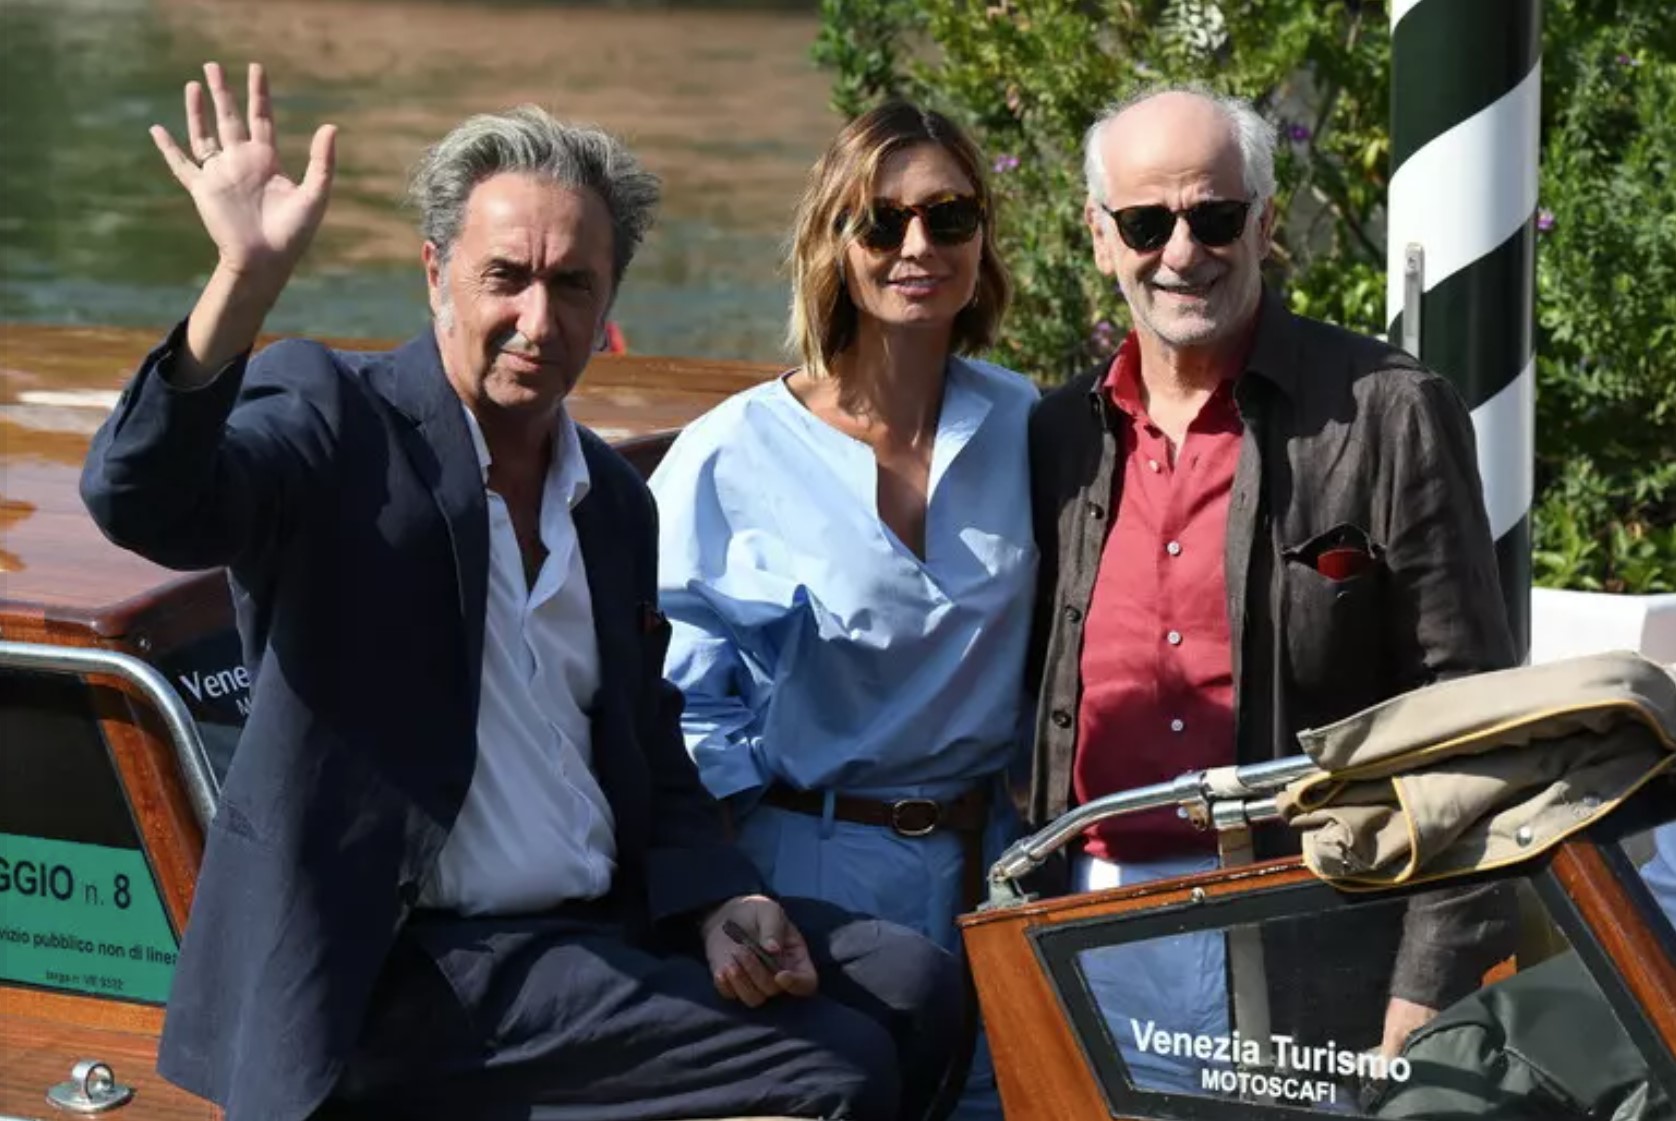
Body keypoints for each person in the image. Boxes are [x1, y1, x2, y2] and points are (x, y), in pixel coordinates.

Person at [80, 61, 962, 1121]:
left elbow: (645, 736)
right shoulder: (336, 416)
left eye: (573, 285)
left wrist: (719, 893)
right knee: (836, 1070)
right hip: (405, 966)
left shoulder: (611, 503)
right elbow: (142, 499)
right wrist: (242, 285)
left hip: (592, 922)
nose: (537, 319)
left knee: (921, 986)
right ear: (435, 274)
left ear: (608, 302)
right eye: (505, 276)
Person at [1024, 84, 1517, 1084]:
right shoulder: (1057, 433)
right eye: (1144, 223)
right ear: (1099, 236)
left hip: (1307, 919)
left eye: (1213, 216)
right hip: (1084, 918)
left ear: (1263, 221)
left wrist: (1425, 986)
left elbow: (1469, 718)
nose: (1180, 251)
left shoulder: (1388, 413)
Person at [648, 101, 1036, 1119]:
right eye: (881, 220)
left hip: (994, 869)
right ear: (834, 242)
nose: (918, 246)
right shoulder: (732, 453)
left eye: (949, 217)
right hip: (810, 868)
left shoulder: (1029, 426)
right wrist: (719, 897)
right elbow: (674, 706)